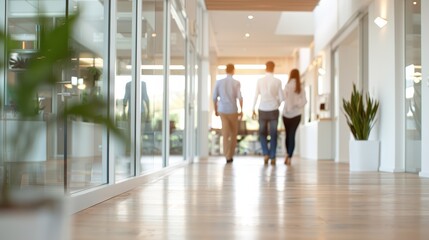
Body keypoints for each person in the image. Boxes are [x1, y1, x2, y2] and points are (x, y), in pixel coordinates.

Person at [252, 61, 284, 165]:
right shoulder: (277, 81)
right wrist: (277, 103)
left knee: (262, 133)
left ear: (265, 68)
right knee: (273, 134)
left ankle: (266, 154)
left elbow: (256, 95)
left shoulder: (260, 81)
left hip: (262, 110)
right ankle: (273, 156)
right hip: (274, 110)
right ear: (273, 69)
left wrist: (253, 108)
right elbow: (282, 97)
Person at [212, 64, 243, 163]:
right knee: (233, 133)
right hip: (233, 110)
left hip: (222, 110)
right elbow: (240, 97)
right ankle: (230, 155)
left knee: (225, 133)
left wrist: (215, 110)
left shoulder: (219, 82)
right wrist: (241, 110)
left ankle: (226, 155)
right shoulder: (236, 83)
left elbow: (214, 97)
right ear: (233, 71)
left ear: (226, 71)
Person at [282, 68, 307, 165]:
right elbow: (304, 101)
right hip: (296, 115)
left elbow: (283, 98)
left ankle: (287, 155)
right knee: (292, 135)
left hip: (286, 115)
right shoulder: (300, 87)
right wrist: (297, 104)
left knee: (287, 135)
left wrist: (290, 104)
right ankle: (290, 157)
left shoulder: (287, 86)